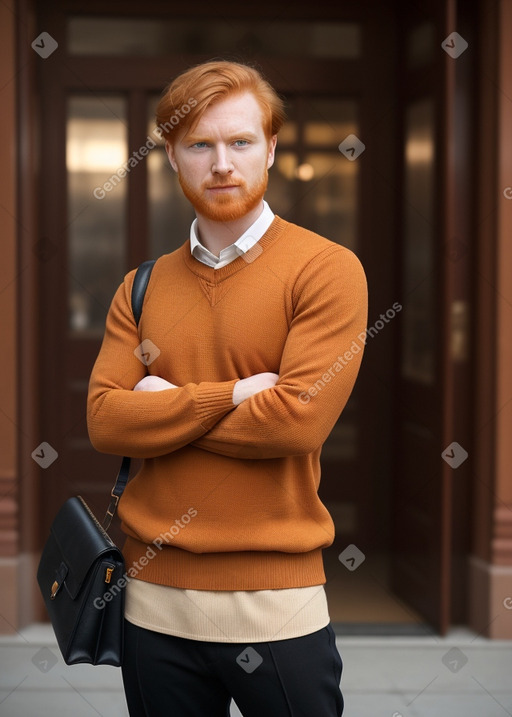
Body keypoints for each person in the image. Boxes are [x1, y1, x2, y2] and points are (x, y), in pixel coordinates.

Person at [87, 60, 367, 717]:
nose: (221, 162)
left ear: (270, 148)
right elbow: (105, 421)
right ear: (171, 158)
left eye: (241, 142)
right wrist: (234, 395)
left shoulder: (326, 270)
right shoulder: (141, 285)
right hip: (151, 600)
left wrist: (163, 404)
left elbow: (295, 423)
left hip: (275, 605)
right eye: (199, 144)